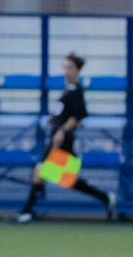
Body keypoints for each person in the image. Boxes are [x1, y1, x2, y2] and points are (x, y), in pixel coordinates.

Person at [16, 52, 117, 223]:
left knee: (42, 170)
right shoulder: (68, 90)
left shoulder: (76, 90)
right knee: (63, 177)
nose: (66, 71)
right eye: (64, 67)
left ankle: (27, 212)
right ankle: (105, 198)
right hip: (57, 136)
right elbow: (65, 113)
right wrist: (54, 119)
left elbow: (79, 115)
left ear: (78, 71)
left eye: (70, 68)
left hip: (62, 139)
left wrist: (62, 131)